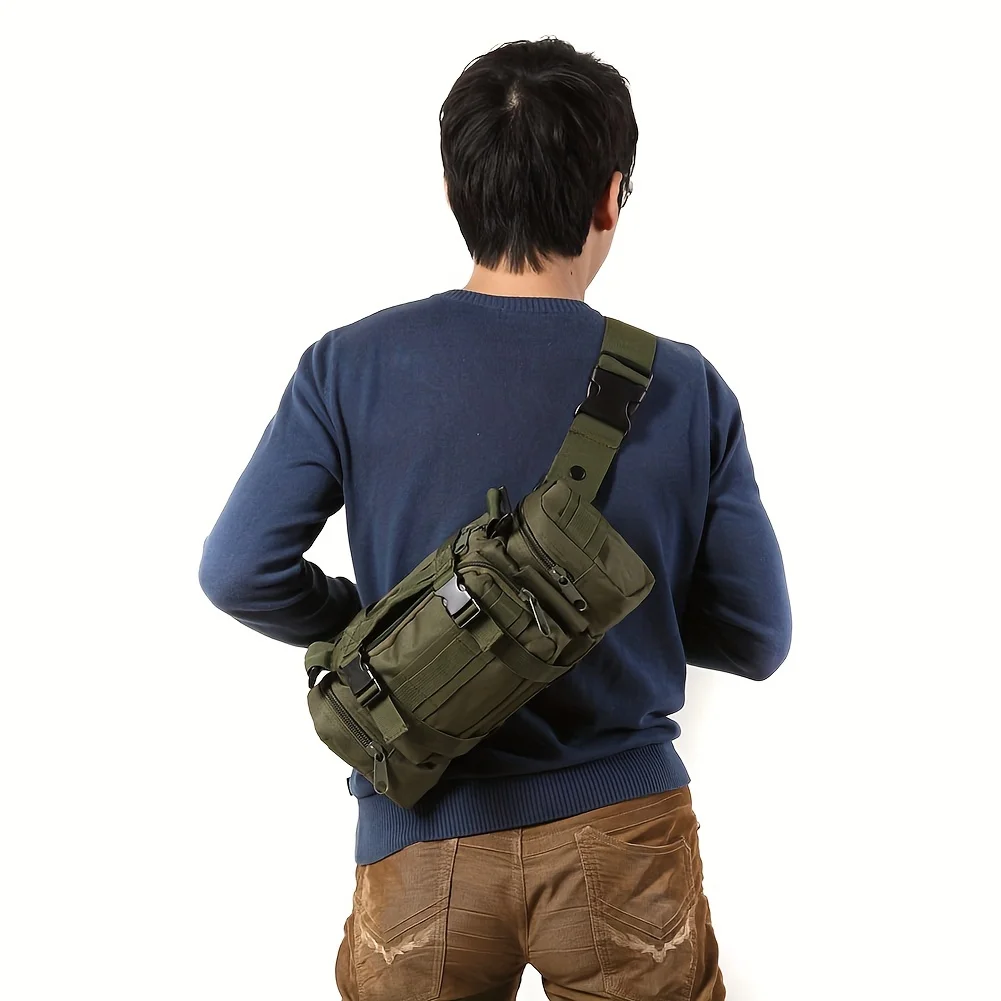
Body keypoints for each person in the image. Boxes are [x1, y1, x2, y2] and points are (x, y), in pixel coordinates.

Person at [198, 36, 791, 1001]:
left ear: (452, 189)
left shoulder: (348, 364)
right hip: (623, 833)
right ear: (610, 197)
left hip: (418, 840)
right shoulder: (683, 385)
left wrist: (390, 623)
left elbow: (237, 569)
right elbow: (758, 638)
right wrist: (610, 612)